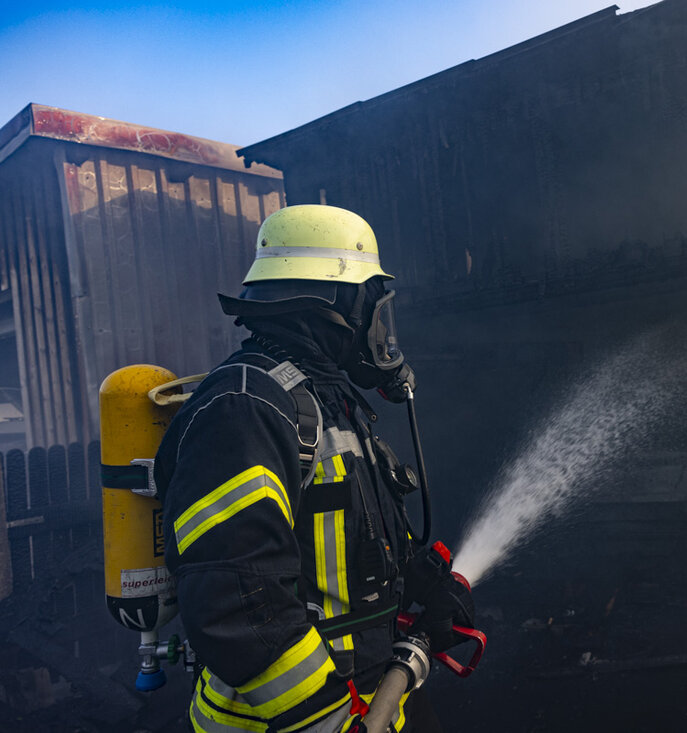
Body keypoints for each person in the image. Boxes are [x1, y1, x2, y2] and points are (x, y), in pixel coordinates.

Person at [154, 204, 474, 732]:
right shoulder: (245, 407)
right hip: (297, 720)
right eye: (371, 303)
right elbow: (237, 605)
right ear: (336, 304)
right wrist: (329, 721)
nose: (378, 324)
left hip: (373, 702)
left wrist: (419, 590)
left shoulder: (323, 400)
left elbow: (339, 551)